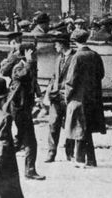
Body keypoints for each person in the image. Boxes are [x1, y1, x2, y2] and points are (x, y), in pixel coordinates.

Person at [2, 40, 46, 179]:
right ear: (27, 54)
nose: (36, 55)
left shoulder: (29, 66)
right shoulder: (19, 67)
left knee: (19, 141)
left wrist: (39, 96)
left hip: (24, 108)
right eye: (34, 53)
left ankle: (0, 163)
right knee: (30, 141)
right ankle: (30, 171)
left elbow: (33, 81)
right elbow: (22, 76)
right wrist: (28, 62)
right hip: (19, 109)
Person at [65, 28, 106, 168]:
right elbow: (101, 74)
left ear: (74, 41)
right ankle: (91, 159)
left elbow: (71, 80)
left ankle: (80, 159)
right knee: (87, 128)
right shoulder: (95, 55)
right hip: (93, 97)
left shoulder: (77, 57)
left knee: (80, 128)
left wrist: (67, 97)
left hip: (79, 97)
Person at [45, 32, 75, 163]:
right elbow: (54, 77)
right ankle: (51, 153)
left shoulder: (75, 58)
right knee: (53, 124)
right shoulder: (58, 58)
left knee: (70, 125)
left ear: (62, 44)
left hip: (69, 96)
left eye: (56, 44)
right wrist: (48, 93)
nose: (55, 46)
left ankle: (70, 152)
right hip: (56, 97)